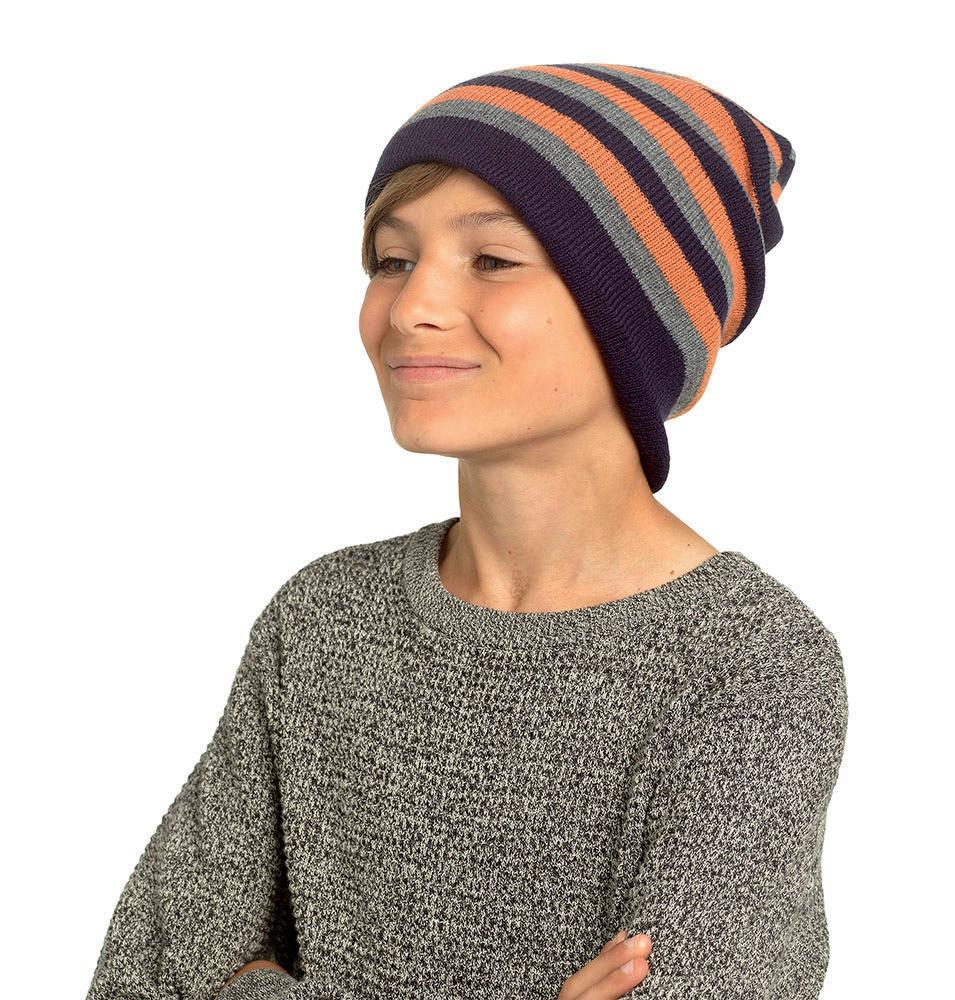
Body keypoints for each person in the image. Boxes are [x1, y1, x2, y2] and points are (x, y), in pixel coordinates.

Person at [86, 63, 848, 1000]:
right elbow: (149, 972)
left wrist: (252, 984)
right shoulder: (324, 620)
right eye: (391, 260)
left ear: (638, 318)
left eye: (491, 260)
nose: (411, 307)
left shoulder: (750, 660)